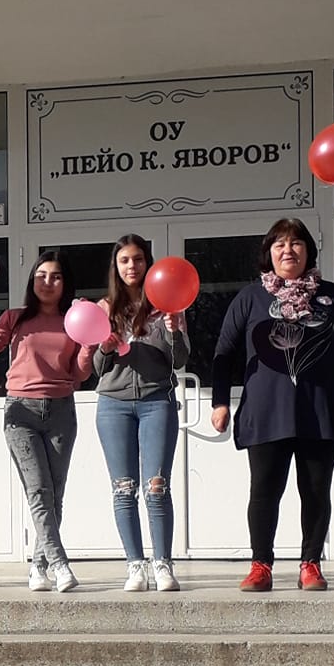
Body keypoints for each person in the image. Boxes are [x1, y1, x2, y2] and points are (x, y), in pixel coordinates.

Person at [210, 218, 334, 592]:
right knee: (264, 492)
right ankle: (260, 566)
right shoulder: (251, 297)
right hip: (266, 411)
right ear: (268, 253)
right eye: (279, 244)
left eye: (296, 243)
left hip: (321, 409)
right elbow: (224, 352)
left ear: (308, 251)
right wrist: (219, 402)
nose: (288, 250)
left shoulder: (331, 296)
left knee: (315, 491)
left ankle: (310, 564)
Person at [0, 252, 96, 592]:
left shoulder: (73, 320)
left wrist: (87, 345)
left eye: (55, 276)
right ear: (32, 280)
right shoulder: (15, 318)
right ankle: (60, 564)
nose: (47, 282)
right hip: (21, 413)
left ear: (65, 283)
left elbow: (79, 374)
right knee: (38, 491)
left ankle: (39, 566)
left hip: (61, 410)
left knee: (55, 495)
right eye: (41, 275)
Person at [91, 234, 188, 592]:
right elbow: (96, 369)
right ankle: (135, 565)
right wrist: (104, 348)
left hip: (156, 402)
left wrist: (174, 332)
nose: (132, 266)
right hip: (113, 406)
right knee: (123, 488)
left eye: (138, 259)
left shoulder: (168, 303)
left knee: (156, 487)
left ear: (148, 263)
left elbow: (180, 360)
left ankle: (163, 563)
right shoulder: (104, 308)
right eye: (124, 260)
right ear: (116, 267)